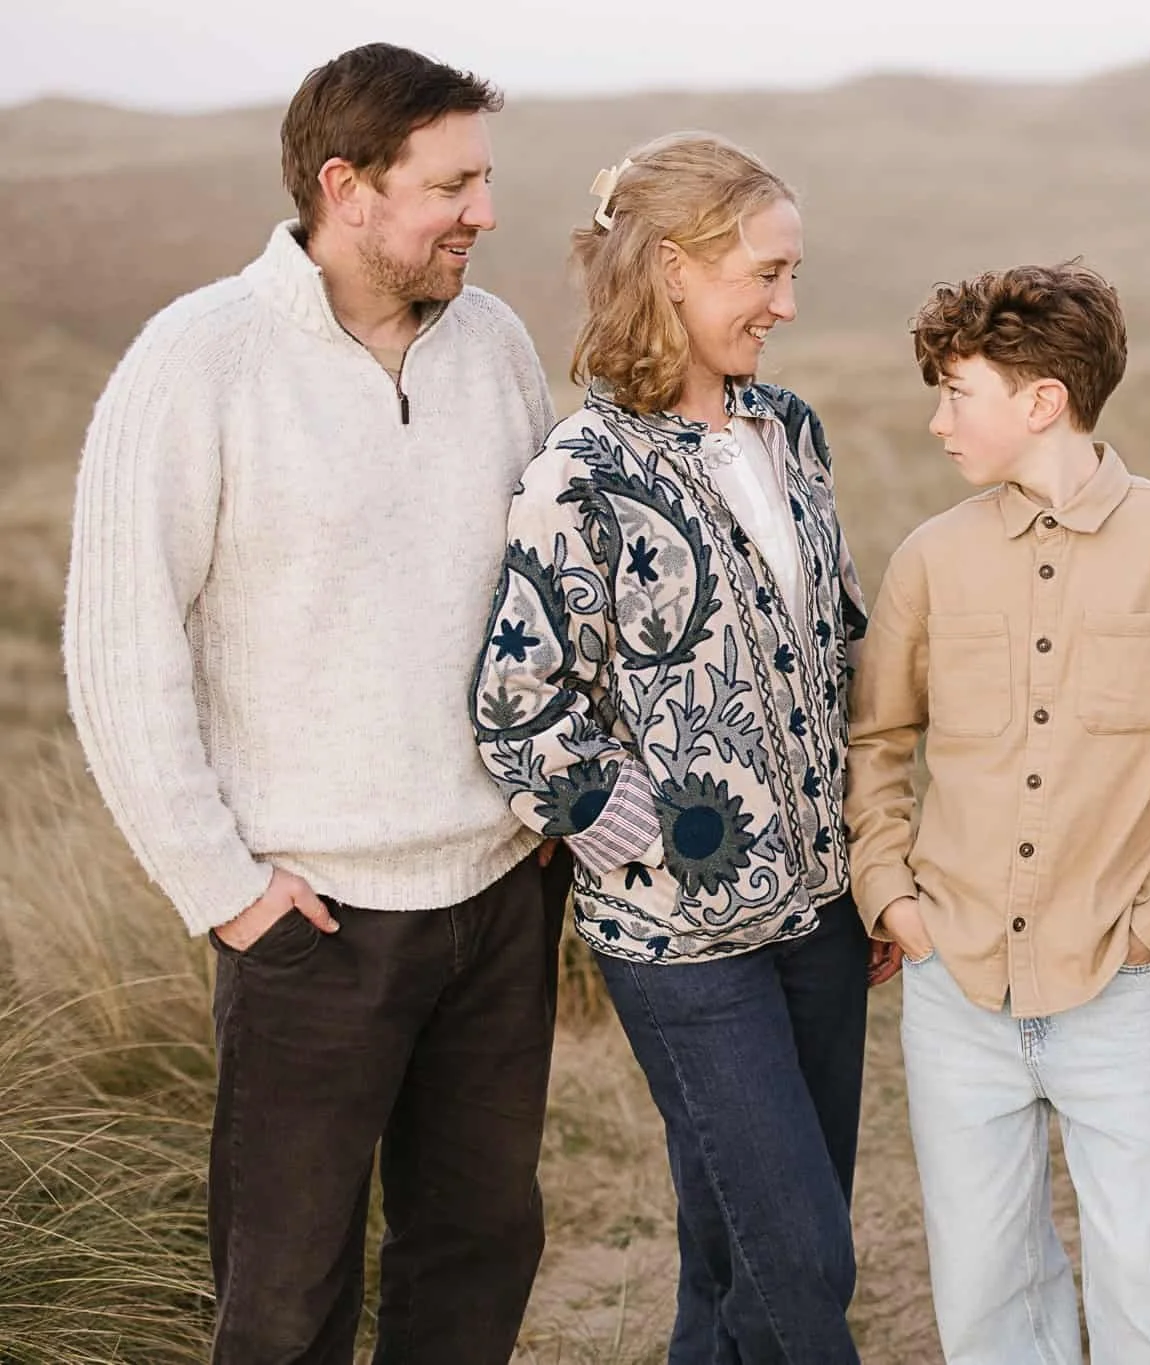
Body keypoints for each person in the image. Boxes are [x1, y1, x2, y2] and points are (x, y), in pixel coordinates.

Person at [63, 43, 563, 1365]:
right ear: (345, 186)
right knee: (285, 1300)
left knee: (479, 1251)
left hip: (500, 896)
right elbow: (118, 647)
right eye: (453, 184)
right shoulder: (198, 362)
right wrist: (220, 887)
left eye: (486, 179)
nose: (486, 214)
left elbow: (552, 591)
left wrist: (553, 801)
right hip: (312, 920)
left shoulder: (497, 342)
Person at [471, 132, 874, 1364]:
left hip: (824, 915)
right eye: (764, 272)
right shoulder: (577, 474)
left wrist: (875, 850)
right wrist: (655, 833)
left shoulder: (788, 432)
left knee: (730, 1245)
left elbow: (838, 640)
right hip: (681, 942)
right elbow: (516, 703)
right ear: (675, 269)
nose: (785, 304)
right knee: (803, 1259)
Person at [845, 260, 1150, 1363]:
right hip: (956, 985)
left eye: (957, 392)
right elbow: (877, 745)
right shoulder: (930, 561)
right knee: (984, 1272)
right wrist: (893, 899)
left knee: (1136, 1257)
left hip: (1116, 983)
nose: (939, 421)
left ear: (1041, 400)